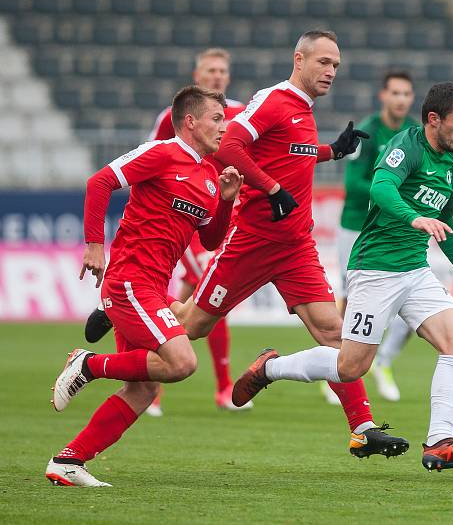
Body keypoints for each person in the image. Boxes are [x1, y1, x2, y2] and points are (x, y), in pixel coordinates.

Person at [232, 82, 453, 472]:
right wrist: (412, 216)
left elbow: (446, 223)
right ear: (433, 119)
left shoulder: (452, 165)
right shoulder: (405, 147)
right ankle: (269, 368)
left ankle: (440, 441)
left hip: (415, 270)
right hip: (375, 270)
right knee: (351, 366)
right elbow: (381, 187)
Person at [170, 30, 409, 459]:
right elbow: (230, 146)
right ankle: (126, 308)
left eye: (336, 65)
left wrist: (331, 152)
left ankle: (363, 429)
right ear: (298, 60)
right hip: (253, 242)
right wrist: (271, 187)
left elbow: (289, 152)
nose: (331, 71)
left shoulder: (303, 109)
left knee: (336, 334)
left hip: (296, 245)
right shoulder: (274, 99)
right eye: (323, 62)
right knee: (190, 328)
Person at [46, 86, 244, 487]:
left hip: (153, 287)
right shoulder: (160, 153)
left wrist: (225, 201)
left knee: (143, 388)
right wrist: (94, 245)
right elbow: (100, 182)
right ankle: (87, 363)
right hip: (130, 283)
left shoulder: (209, 176)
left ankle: (68, 461)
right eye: (217, 119)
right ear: (190, 121)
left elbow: (209, 240)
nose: (225, 127)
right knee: (182, 362)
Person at [86, 48, 248, 415]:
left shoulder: (239, 114)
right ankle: (210, 387)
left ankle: (152, 382)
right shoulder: (170, 127)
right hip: (174, 219)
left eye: (223, 70)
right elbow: (131, 167)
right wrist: (95, 243)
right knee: (197, 308)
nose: (218, 76)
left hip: (208, 204)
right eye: (211, 70)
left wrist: (227, 199)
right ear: (198, 75)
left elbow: (255, 153)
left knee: (192, 311)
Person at [325, 70, 418, 404]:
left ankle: (383, 362)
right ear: (384, 96)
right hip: (355, 226)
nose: (401, 99)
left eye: (407, 93)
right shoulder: (369, 131)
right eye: (395, 93)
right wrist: (392, 191)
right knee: (351, 299)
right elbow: (352, 184)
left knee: (412, 296)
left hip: (393, 228)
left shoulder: (413, 134)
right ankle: (335, 370)